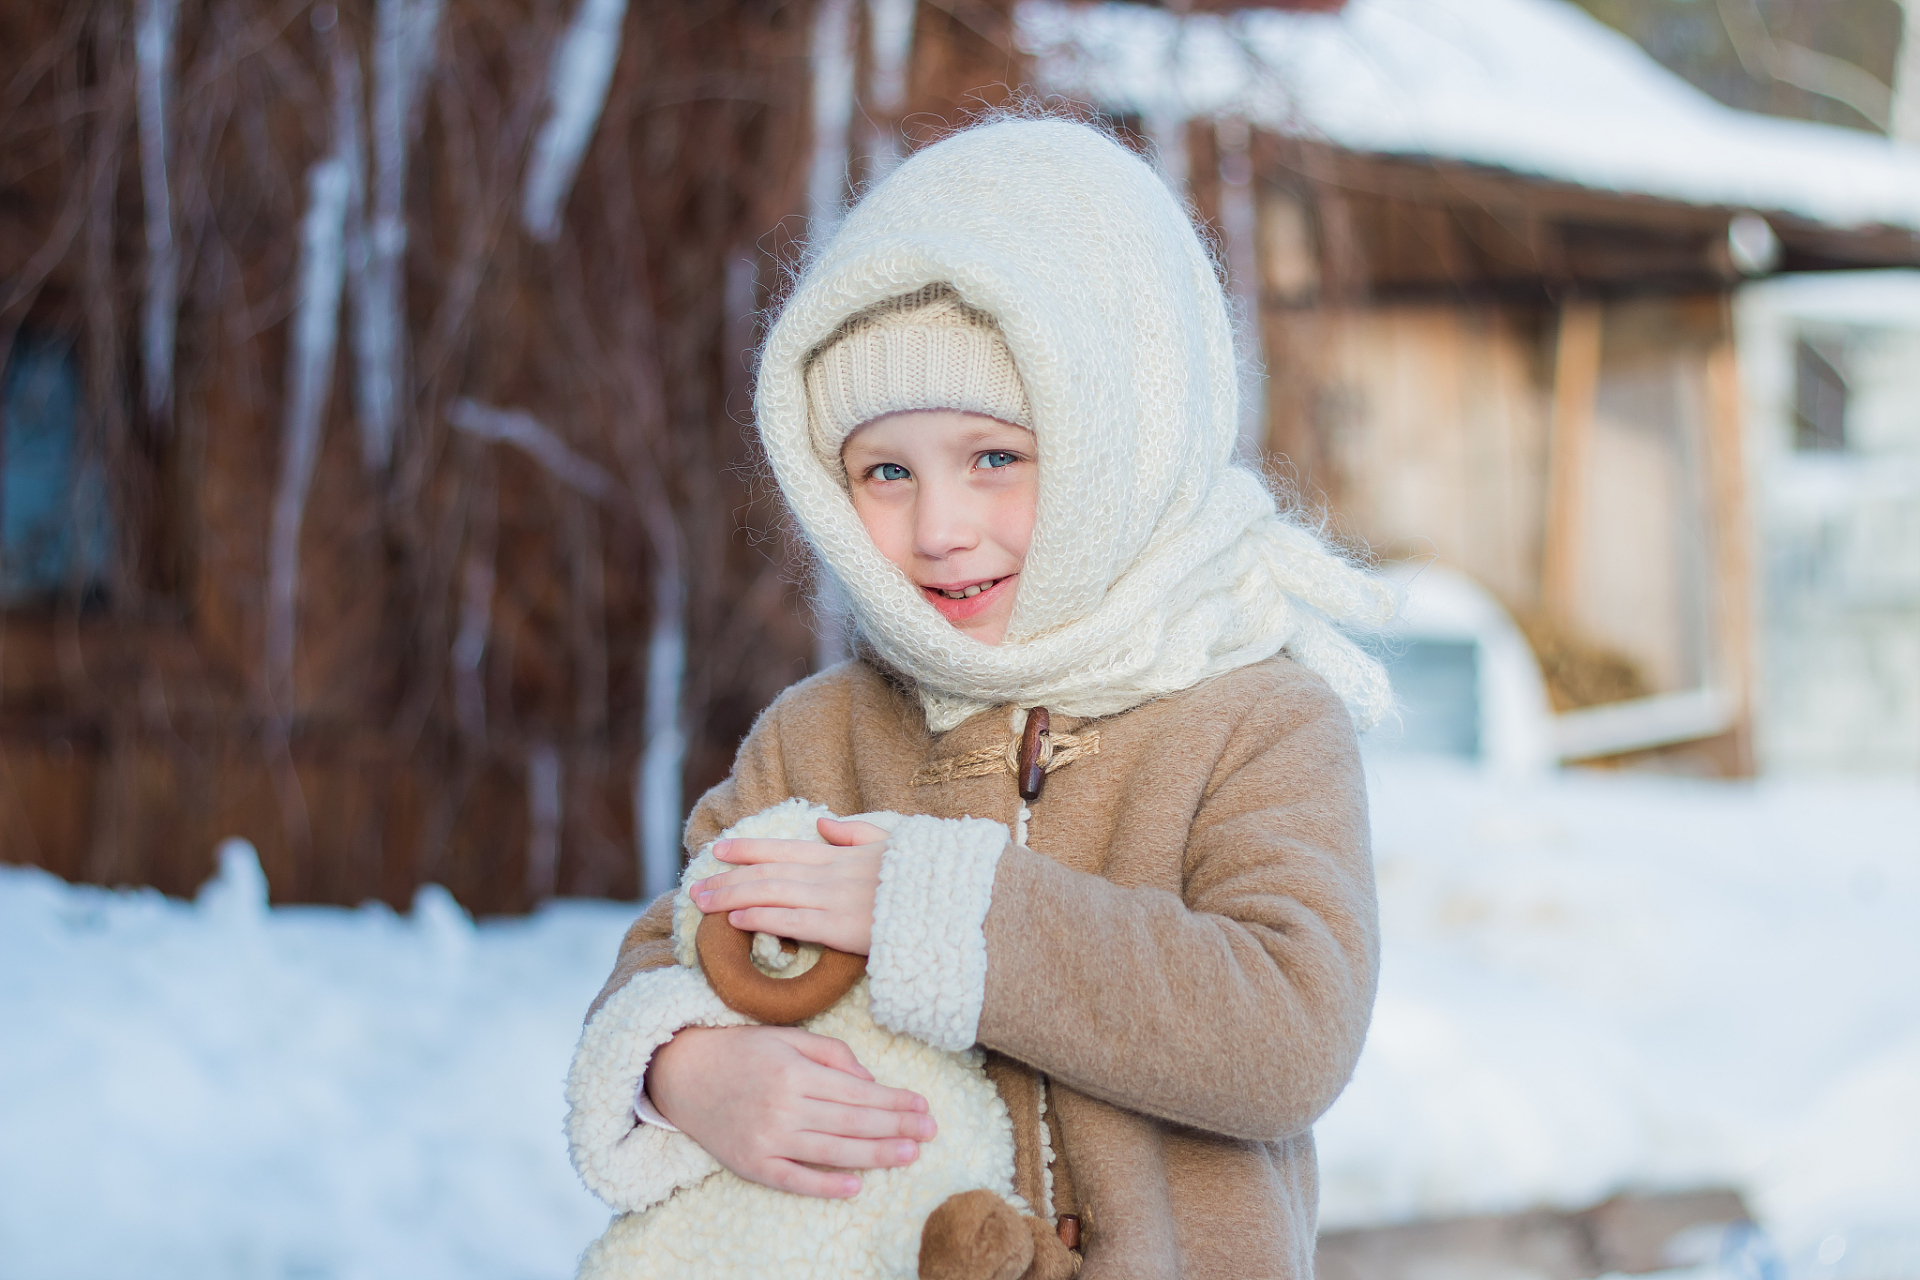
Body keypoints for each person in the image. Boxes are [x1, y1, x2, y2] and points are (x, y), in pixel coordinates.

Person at [565, 117, 1394, 1279]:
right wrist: (684, 1069)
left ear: (1120, 435)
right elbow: (672, 949)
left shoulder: (1255, 719)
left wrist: (936, 912)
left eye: (995, 456)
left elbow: (1287, 1028)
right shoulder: (818, 736)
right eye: (885, 471)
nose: (940, 528)